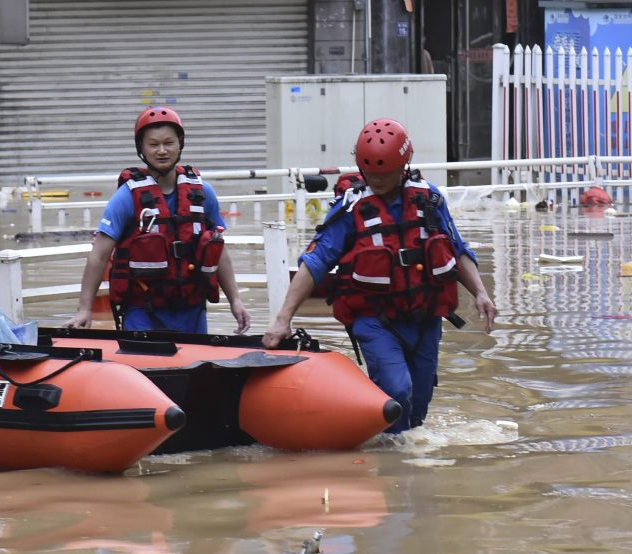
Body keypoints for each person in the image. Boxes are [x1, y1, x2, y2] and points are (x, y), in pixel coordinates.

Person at [262, 118, 496, 433]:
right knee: (398, 391)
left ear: (404, 166)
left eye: (385, 174)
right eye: (371, 173)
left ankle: (405, 466)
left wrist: (480, 292)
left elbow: (456, 248)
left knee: (419, 407)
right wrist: (283, 317)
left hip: (425, 318)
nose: (378, 180)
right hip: (375, 321)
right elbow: (315, 262)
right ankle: (387, 465)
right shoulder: (351, 209)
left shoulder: (429, 199)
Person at [68, 107, 252, 335]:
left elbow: (218, 250)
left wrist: (235, 301)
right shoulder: (127, 197)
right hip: (142, 311)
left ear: (180, 144)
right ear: (142, 149)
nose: (162, 151)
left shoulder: (203, 193)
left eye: (169, 143)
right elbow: (99, 255)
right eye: (153, 145)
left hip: (191, 309)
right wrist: (85, 309)